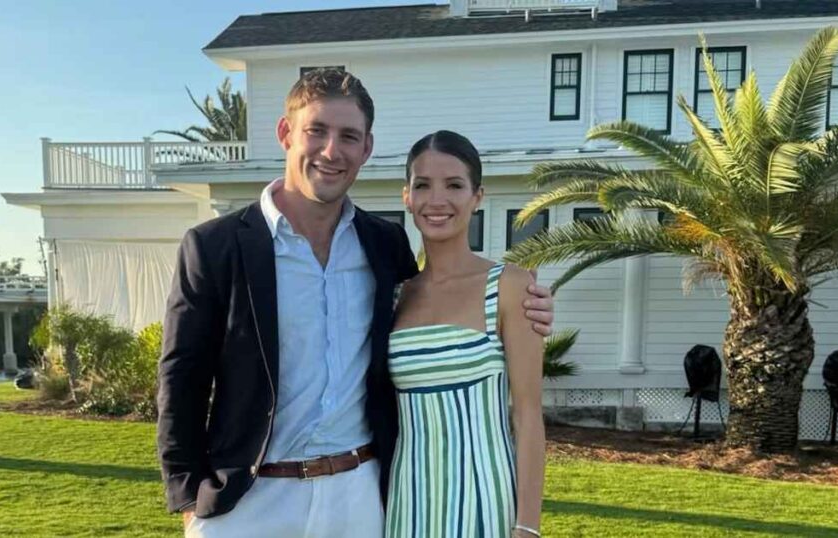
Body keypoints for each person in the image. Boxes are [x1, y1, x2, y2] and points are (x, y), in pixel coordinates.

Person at [157, 69, 554, 538]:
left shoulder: (383, 246)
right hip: (248, 501)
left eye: (348, 136)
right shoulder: (215, 246)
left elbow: (444, 315)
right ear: (286, 133)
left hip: (358, 496)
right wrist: (189, 500)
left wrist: (527, 304)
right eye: (316, 130)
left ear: (366, 148)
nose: (332, 151)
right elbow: (181, 379)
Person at [386, 131, 545, 538]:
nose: (437, 199)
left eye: (454, 185)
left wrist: (527, 526)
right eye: (423, 185)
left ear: (477, 197)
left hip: (485, 502)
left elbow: (527, 415)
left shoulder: (509, 286)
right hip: (408, 502)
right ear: (407, 197)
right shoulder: (395, 296)